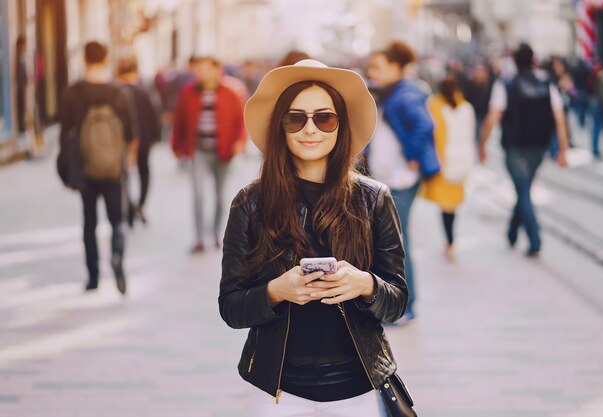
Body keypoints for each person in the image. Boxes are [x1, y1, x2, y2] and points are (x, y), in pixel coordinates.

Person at [219, 58, 411, 416]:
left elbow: (398, 300)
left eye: (324, 118)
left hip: (359, 390)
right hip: (279, 393)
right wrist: (277, 291)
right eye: (296, 118)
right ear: (281, 127)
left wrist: (365, 283)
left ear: (340, 126)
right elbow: (230, 306)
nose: (311, 129)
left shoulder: (374, 199)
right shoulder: (250, 203)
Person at [366, 40, 439, 322]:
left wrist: (412, 156)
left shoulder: (404, 94)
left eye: (378, 67)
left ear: (396, 67)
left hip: (402, 178)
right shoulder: (390, 92)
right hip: (388, 179)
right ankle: (398, 303)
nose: (372, 71)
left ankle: (406, 305)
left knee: (397, 242)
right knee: (391, 241)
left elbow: (424, 124)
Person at [56, 41, 134, 293]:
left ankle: (93, 277)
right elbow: (132, 132)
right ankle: (117, 256)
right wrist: (127, 161)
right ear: (106, 59)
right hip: (113, 168)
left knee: (89, 222)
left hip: (83, 167)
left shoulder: (72, 92)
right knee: (117, 220)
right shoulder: (118, 92)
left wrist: (66, 171)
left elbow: (64, 135)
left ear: (84, 60)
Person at [479, 43, 568, 257]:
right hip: (539, 148)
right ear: (534, 61)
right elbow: (560, 119)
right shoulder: (547, 83)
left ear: (514, 61)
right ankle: (511, 233)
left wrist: (481, 143)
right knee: (524, 189)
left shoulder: (506, 85)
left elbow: (493, 117)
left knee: (523, 190)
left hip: (514, 147)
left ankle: (535, 240)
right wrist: (563, 149)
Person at [171, 56, 246, 253]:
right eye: (197, 70)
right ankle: (199, 237)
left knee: (221, 195)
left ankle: (215, 233)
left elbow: (241, 120)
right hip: (198, 150)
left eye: (204, 69)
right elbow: (179, 120)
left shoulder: (232, 91)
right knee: (198, 194)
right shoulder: (188, 92)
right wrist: (176, 147)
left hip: (223, 151)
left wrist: (240, 142)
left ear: (216, 69)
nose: (199, 73)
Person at [422, 75, 475, 260]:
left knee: (445, 205)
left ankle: (450, 241)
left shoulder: (434, 105)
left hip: (442, 161)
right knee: (452, 205)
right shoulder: (467, 107)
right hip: (461, 161)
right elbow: (470, 134)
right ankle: (451, 241)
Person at [117, 57, 161, 225]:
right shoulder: (145, 91)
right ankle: (141, 205)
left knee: (124, 176)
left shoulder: (116, 92)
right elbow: (154, 114)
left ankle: (128, 208)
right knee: (144, 171)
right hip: (144, 139)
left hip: (123, 141)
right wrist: (155, 137)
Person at [15, 35, 28, 133]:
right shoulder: (18, 56)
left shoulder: (21, 56)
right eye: (24, 44)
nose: (25, 47)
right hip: (19, 86)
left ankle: (22, 125)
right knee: (20, 106)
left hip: (22, 85)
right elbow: (19, 73)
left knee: (22, 106)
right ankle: (21, 127)